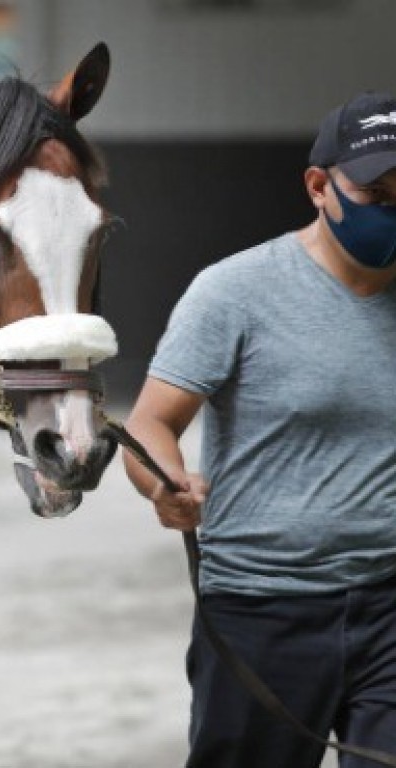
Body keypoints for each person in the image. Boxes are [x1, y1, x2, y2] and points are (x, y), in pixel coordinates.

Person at [123, 90, 396, 768]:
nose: (393, 210)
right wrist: (165, 484)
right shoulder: (234, 292)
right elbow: (151, 422)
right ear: (318, 187)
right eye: (378, 193)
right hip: (260, 607)